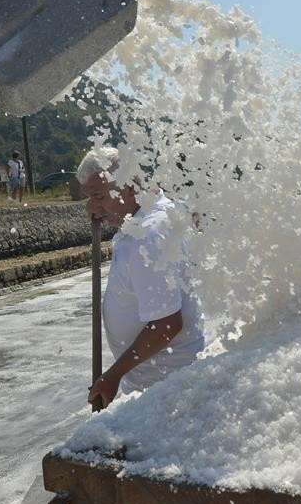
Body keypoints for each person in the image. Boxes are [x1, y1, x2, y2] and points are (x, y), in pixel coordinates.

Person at [79, 148, 206, 409]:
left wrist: (112, 376)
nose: (92, 206)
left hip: (165, 386)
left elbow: (167, 324)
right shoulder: (151, 215)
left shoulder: (147, 237)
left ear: (129, 186)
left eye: (98, 196)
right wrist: (104, 205)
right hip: (161, 380)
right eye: (90, 198)